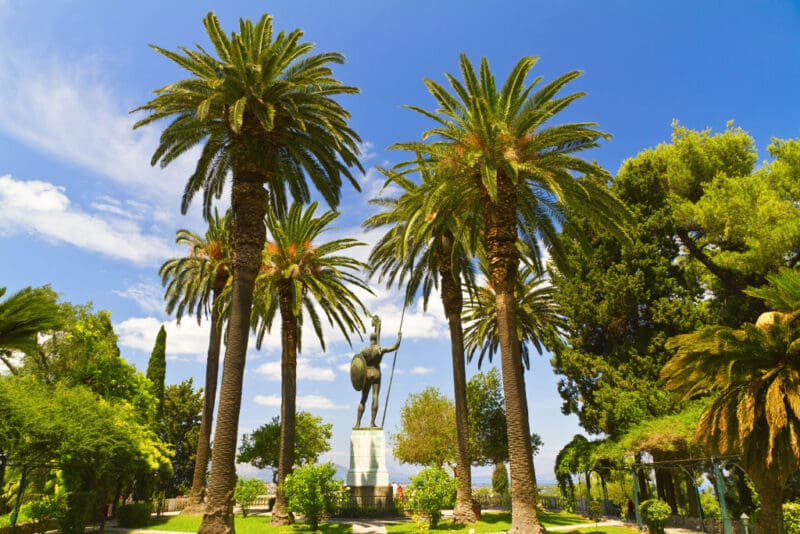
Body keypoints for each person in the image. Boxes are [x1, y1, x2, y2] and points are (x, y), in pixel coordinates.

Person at [354, 331, 401, 428]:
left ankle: (358, 423)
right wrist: (399, 337)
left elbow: (358, 361)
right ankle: (372, 423)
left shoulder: (364, 350)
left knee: (363, 399)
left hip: (366, 373)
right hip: (376, 373)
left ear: (370, 339)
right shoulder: (380, 349)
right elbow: (395, 347)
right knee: (375, 397)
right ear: (377, 339)